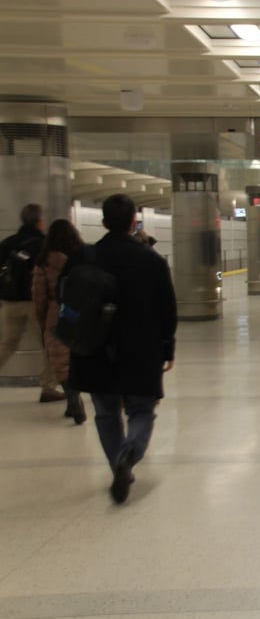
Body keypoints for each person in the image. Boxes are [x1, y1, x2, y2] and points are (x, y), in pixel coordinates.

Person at [64, 194, 177, 504]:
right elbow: (167, 309)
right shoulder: (151, 260)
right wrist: (168, 348)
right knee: (142, 410)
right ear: (133, 223)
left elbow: (67, 302)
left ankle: (118, 464)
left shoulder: (84, 258)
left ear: (102, 222)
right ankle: (130, 452)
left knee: (105, 413)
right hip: (141, 349)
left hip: (94, 349)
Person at [0, 203, 63, 403]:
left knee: (7, 344)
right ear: (40, 221)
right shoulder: (43, 244)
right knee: (49, 344)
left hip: (9, 303)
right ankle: (48, 387)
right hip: (33, 303)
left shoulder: (8, 243)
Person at [32, 219, 87, 424]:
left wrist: (42, 320)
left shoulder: (44, 261)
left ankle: (73, 399)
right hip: (82, 311)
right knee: (78, 357)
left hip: (57, 311)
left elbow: (39, 296)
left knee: (60, 361)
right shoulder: (82, 255)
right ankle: (73, 402)